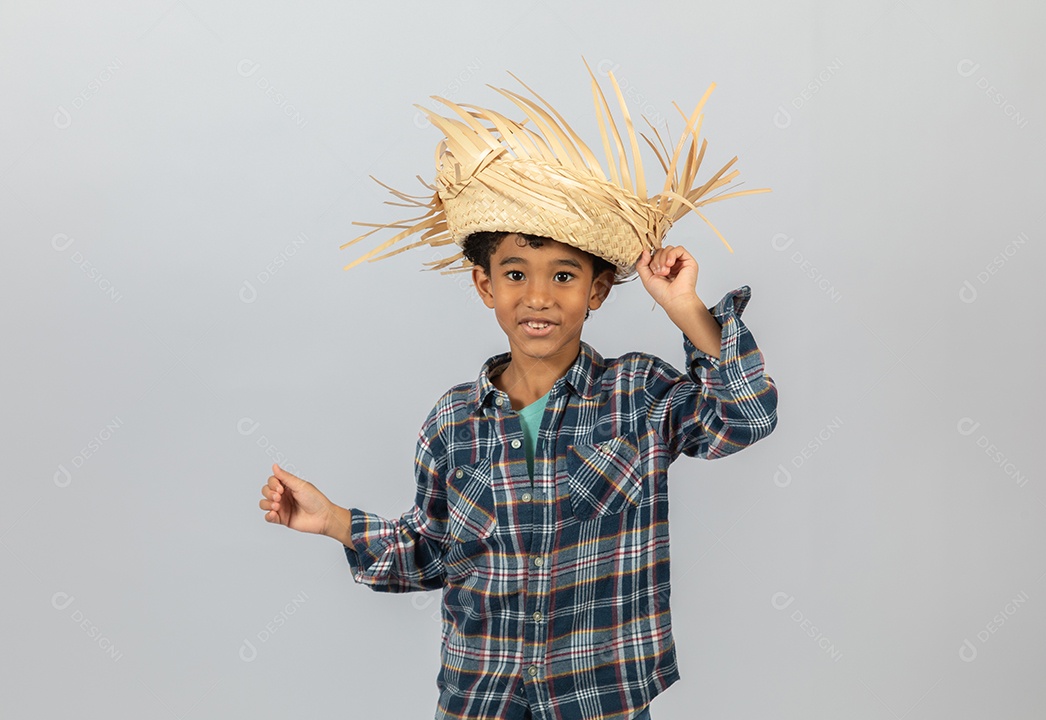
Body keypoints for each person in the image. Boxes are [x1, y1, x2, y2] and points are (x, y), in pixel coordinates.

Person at [258, 61, 779, 720]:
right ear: (486, 287)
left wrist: (684, 307)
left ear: (596, 291)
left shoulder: (637, 395)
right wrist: (332, 520)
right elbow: (434, 552)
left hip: (600, 698)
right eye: (515, 273)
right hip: (481, 697)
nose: (538, 297)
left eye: (564, 276)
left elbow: (746, 413)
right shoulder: (453, 422)